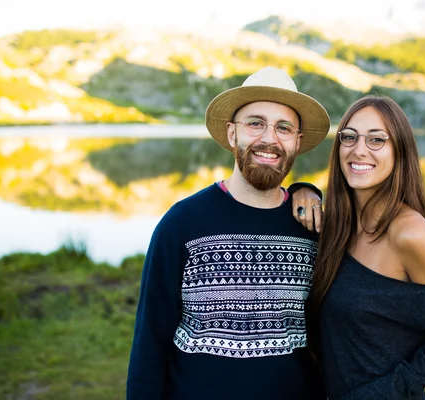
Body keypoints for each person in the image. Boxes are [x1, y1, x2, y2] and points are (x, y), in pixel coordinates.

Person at [126, 66, 329, 400]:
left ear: (298, 142)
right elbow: (150, 342)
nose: (269, 139)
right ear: (233, 134)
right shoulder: (182, 224)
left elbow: (325, 338)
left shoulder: (312, 226)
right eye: (255, 123)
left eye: (283, 128)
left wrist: (308, 190)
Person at [293, 94, 425, 399]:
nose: (359, 150)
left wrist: (386, 390)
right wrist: (303, 190)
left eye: (377, 140)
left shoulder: (410, 235)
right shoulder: (340, 226)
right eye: (349, 137)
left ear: (399, 151)